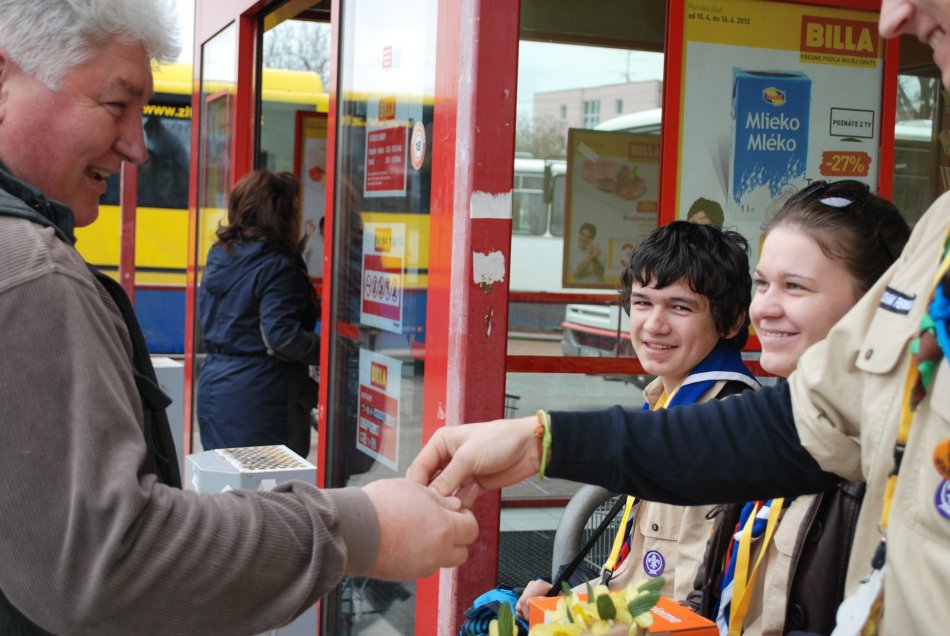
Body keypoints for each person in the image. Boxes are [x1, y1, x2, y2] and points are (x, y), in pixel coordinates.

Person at [408, 8, 950, 632]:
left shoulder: (775, 426)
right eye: (641, 303)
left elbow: (681, 599)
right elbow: (786, 432)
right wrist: (543, 441)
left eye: (796, 287)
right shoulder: (742, 416)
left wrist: (565, 617)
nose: (894, 16)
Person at [0, 2, 476, 633]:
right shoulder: (35, 273)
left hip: (223, 388)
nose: (138, 147)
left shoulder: (222, 255)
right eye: (116, 104)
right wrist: (362, 526)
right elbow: (112, 558)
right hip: (258, 394)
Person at [685, 182, 909, 635]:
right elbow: (708, 598)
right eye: (763, 283)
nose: (764, 309)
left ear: (873, 305)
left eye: (795, 287)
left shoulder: (891, 463)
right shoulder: (770, 421)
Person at [514, 221, 758, 618]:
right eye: (643, 303)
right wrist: (563, 606)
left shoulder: (722, 434)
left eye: (680, 307)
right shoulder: (666, 405)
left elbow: (688, 613)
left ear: (731, 321)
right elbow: (637, 581)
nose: (653, 324)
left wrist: (569, 620)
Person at [198, 170, 319, 458]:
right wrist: (331, 351)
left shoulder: (220, 255)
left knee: (227, 483)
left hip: (216, 389)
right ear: (279, 214)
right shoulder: (277, 266)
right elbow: (283, 337)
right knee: (273, 485)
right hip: (262, 399)